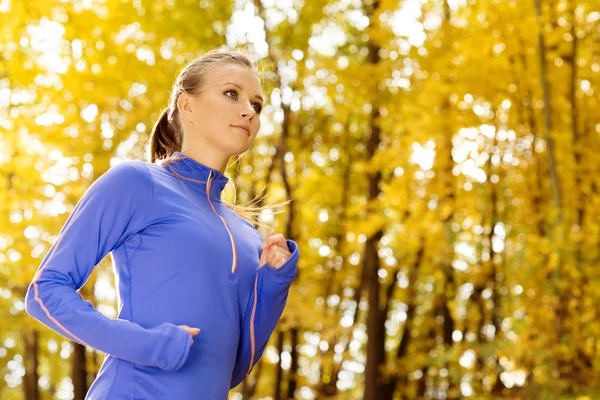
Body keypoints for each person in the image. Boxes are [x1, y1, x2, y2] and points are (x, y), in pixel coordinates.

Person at [24, 49, 300, 400]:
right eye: (232, 94)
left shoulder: (248, 236)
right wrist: (149, 345)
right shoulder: (138, 183)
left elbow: (234, 368)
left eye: (257, 105)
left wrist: (274, 283)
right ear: (187, 106)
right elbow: (44, 292)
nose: (249, 110)